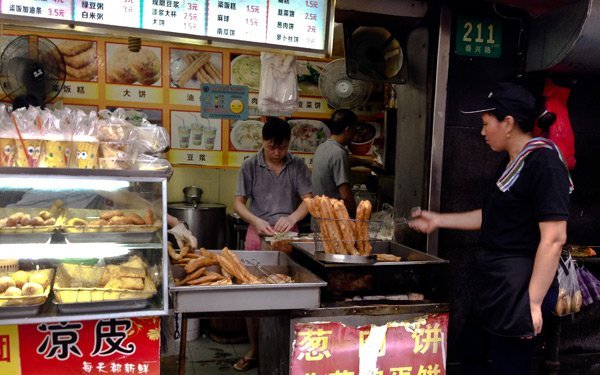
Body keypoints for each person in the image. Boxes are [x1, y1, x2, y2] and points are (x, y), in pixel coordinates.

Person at [409, 82, 573, 374]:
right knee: (470, 348)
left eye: (486, 124)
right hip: (496, 281)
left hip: (522, 284)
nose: (483, 132)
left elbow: (554, 238)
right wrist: (438, 220)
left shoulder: (544, 163)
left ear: (508, 123)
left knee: (509, 366)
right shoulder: (510, 164)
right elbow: (491, 216)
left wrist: (532, 304)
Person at [233, 117, 313, 371]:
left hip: (289, 237)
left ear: (289, 143)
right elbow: (237, 203)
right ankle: (255, 348)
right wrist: (255, 221)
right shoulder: (250, 166)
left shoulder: (298, 165)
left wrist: (291, 218)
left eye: (282, 147)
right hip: (257, 235)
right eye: (271, 147)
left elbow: (308, 201)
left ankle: (286, 349)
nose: (277, 153)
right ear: (263, 142)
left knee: (288, 293)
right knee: (251, 296)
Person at [311, 108, 382, 216]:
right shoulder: (338, 153)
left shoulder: (322, 147)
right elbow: (346, 198)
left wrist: (368, 163)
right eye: (354, 131)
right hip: (334, 222)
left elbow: (344, 160)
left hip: (319, 219)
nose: (355, 135)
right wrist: (356, 219)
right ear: (347, 130)